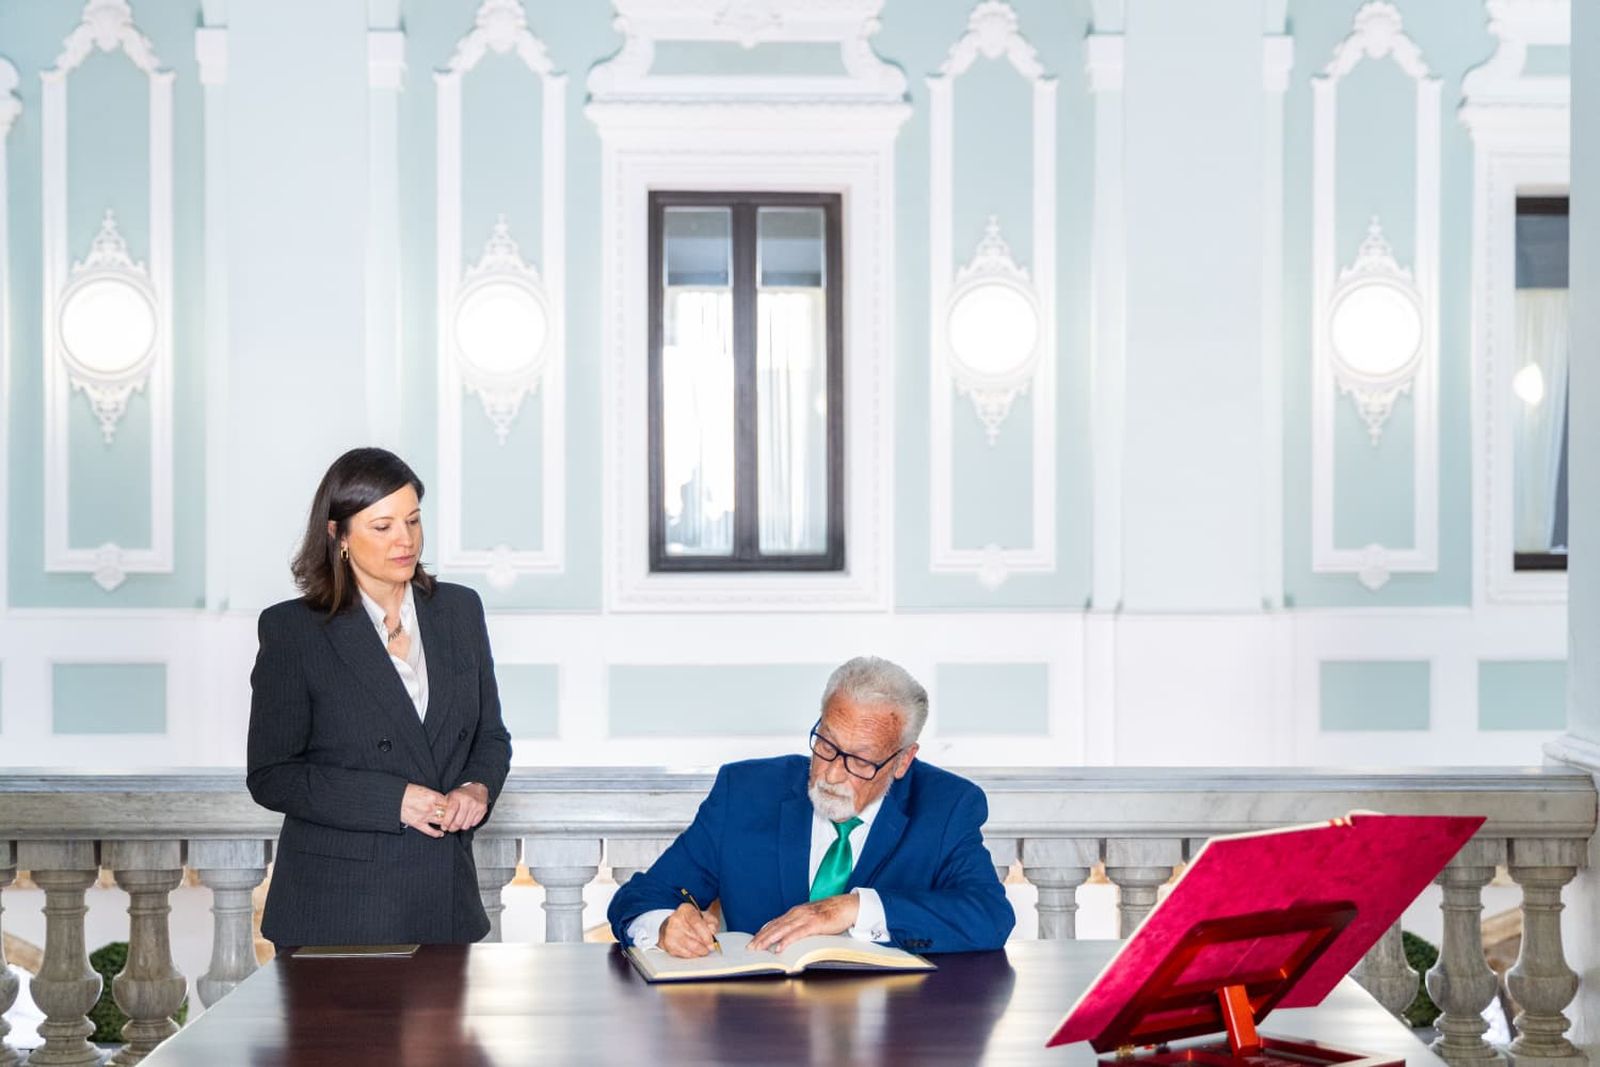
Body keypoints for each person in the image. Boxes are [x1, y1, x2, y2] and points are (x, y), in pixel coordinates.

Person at [247, 447, 512, 946]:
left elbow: (491, 736)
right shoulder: (294, 630)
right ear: (338, 534)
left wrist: (477, 789)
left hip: (444, 903)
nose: (405, 540)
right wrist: (395, 801)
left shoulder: (458, 611)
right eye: (382, 526)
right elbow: (271, 775)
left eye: (413, 521)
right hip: (337, 909)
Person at [608, 656, 1014, 956]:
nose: (832, 774)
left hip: (892, 1032)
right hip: (759, 1027)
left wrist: (855, 908)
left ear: (903, 761)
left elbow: (989, 916)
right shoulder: (746, 793)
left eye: (860, 761)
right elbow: (642, 896)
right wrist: (663, 926)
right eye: (826, 745)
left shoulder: (947, 807)